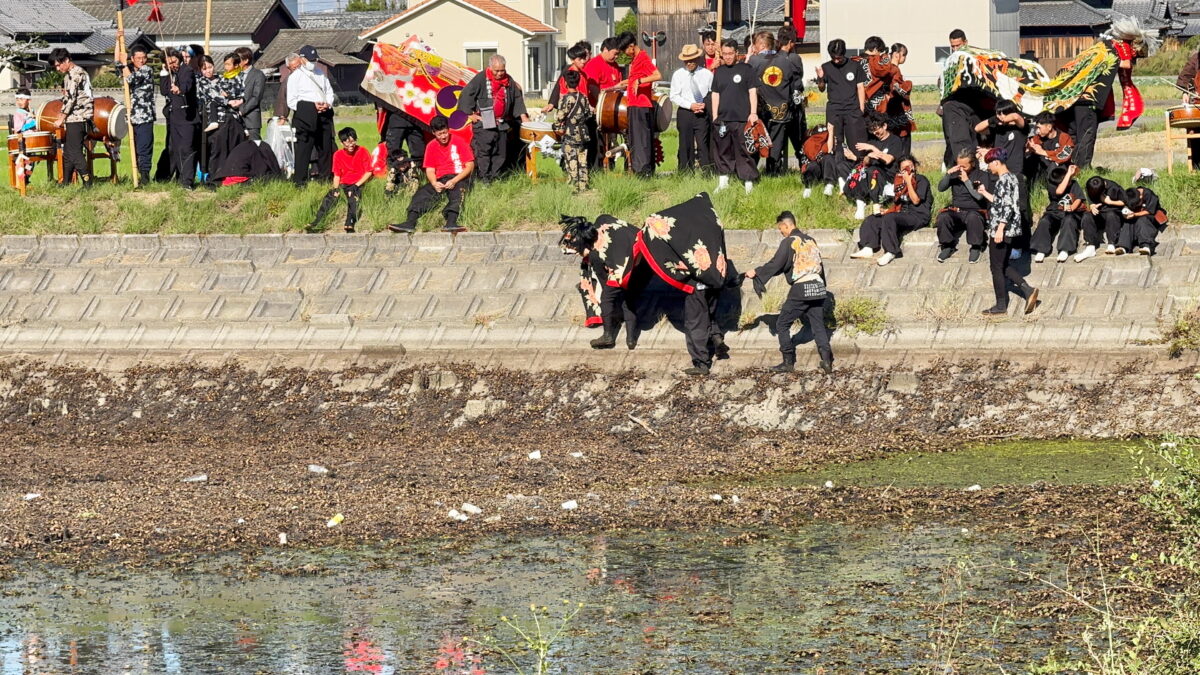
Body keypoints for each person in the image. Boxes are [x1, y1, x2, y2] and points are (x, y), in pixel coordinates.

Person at [745, 211, 833, 374]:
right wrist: (823, 290)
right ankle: (827, 360)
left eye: (781, 229)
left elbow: (776, 264)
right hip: (818, 287)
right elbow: (820, 266)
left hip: (801, 288)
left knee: (782, 323)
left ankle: (788, 361)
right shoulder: (810, 240)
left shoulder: (790, 241)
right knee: (818, 325)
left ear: (787, 225)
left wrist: (756, 272)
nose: (781, 232)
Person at [976, 147, 1040, 315]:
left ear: (996, 162)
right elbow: (1000, 202)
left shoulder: (1004, 180)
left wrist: (1000, 229)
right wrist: (984, 193)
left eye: (989, 164)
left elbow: (1008, 207)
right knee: (1002, 264)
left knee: (996, 267)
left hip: (1001, 229)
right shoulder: (1011, 178)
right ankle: (1027, 290)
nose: (988, 167)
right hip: (1008, 229)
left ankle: (1001, 305)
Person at [388, 116, 473, 234]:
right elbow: (430, 170)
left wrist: (454, 180)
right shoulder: (431, 146)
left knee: (458, 194)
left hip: (458, 177)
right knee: (421, 194)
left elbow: (469, 166)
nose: (443, 136)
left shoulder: (459, 141)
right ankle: (410, 222)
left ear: (448, 129)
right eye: (439, 134)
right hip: (440, 179)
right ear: (433, 133)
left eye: (444, 133)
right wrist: (434, 183)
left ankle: (451, 222)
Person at [457, 54, 527, 183]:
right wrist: (470, 114)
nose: (500, 73)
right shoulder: (480, 78)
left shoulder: (509, 80)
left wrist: (523, 116)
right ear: (490, 68)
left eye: (502, 70)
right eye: (497, 71)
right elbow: (466, 94)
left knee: (500, 151)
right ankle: (484, 178)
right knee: (484, 151)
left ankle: (495, 176)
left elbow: (517, 98)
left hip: (501, 122)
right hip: (484, 121)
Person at [850, 155, 931, 266]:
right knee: (873, 219)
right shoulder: (899, 183)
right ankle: (868, 247)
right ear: (900, 171)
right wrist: (887, 210)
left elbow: (915, 200)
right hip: (902, 214)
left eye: (911, 166)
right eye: (905, 168)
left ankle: (891, 251)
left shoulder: (921, 180)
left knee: (890, 218)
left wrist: (908, 181)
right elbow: (898, 205)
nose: (909, 169)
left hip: (918, 215)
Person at [711, 38, 759, 193]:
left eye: (730, 53)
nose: (728, 57)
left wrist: (753, 112)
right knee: (723, 150)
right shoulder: (719, 71)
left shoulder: (746, 69)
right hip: (723, 119)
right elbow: (715, 94)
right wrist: (714, 116)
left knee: (744, 150)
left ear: (737, 53)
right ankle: (724, 180)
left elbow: (753, 92)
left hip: (742, 118)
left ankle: (748, 180)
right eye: (725, 54)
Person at [748, 32, 797, 176]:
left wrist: (749, 56)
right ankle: (773, 172)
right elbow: (792, 86)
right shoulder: (786, 61)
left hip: (761, 109)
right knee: (776, 143)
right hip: (781, 110)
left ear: (761, 45)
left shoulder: (754, 61)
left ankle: (751, 172)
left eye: (755, 44)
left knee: (756, 140)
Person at [287, 47, 336, 185]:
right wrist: (311, 107)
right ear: (302, 59)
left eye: (314, 60)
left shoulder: (320, 73)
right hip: (305, 118)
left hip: (323, 115)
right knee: (304, 150)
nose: (312, 63)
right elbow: (292, 101)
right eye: (310, 60)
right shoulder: (295, 77)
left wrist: (327, 104)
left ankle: (325, 178)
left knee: (325, 148)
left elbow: (329, 92)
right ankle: (300, 181)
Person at [308, 127, 372, 233]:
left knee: (353, 197)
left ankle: (350, 222)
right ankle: (317, 221)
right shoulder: (338, 155)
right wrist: (335, 189)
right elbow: (337, 175)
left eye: (353, 141)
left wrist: (357, 185)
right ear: (342, 143)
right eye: (347, 142)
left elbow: (369, 171)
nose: (351, 145)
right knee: (330, 197)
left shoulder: (362, 151)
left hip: (358, 182)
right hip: (344, 183)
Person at [815, 39, 867, 169]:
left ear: (844, 54)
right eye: (833, 58)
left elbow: (860, 87)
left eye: (839, 58)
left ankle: (857, 169)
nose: (836, 60)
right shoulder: (826, 67)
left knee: (856, 142)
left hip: (852, 110)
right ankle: (837, 170)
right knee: (835, 142)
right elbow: (821, 88)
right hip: (834, 110)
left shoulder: (855, 66)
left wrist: (861, 108)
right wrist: (820, 77)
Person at [843, 113, 904, 220]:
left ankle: (876, 203)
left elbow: (888, 160)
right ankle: (859, 200)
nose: (876, 133)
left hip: (887, 175)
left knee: (873, 171)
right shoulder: (873, 141)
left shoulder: (895, 141)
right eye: (873, 131)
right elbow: (865, 162)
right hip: (871, 171)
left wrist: (872, 148)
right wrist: (868, 156)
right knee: (859, 169)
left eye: (877, 130)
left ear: (884, 126)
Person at [936, 149, 992, 263]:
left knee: (973, 217)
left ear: (972, 163)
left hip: (975, 210)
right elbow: (941, 188)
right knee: (943, 217)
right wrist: (948, 175)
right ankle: (947, 246)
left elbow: (979, 197)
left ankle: (976, 247)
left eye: (964, 166)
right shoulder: (955, 175)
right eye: (958, 165)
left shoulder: (982, 175)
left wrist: (967, 181)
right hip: (956, 210)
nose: (961, 168)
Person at [618, 32, 661, 177]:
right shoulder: (634, 60)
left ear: (631, 46)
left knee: (641, 139)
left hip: (641, 105)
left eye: (626, 50)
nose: (626, 53)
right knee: (635, 138)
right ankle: (639, 169)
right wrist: (622, 84)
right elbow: (634, 79)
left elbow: (657, 75)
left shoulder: (642, 57)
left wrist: (640, 82)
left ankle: (643, 171)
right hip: (634, 104)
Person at [49, 48, 93, 187]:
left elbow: (71, 99)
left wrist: (61, 118)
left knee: (74, 151)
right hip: (73, 117)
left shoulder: (76, 73)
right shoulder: (68, 75)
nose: (57, 68)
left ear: (67, 60)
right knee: (68, 152)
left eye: (58, 64)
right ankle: (66, 182)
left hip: (79, 116)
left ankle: (87, 181)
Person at [940, 29, 982, 170]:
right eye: (953, 46)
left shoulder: (973, 59)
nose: (956, 49)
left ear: (965, 43)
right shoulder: (950, 63)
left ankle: (973, 167)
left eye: (958, 45)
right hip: (954, 107)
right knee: (953, 139)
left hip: (973, 106)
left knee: (974, 139)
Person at [670, 44, 713, 173]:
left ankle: (707, 170)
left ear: (698, 59)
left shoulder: (707, 74)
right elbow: (674, 96)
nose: (689, 63)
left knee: (703, 143)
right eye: (686, 61)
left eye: (692, 60)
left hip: (702, 112)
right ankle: (685, 171)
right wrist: (690, 105)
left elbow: (712, 93)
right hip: (685, 112)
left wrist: (704, 104)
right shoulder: (678, 75)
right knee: (685, 143)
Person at [159, 47, 198, 189]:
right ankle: (180, 178)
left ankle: (187, 182)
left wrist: (179, 89)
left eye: (174, 61)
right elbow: (164, 90)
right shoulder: (169, 73)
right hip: (174, 118)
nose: (172, 65)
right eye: (169, 63)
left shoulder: (187, 71)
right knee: (175, 149)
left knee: (186, 148)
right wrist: (164, 71)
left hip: (188, 118)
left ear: (179, 59)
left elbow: (187, 86)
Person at [1030, 165, 1085, 263]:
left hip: (1070, 213)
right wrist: (1068, 174)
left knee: (1069, 221)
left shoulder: (1073, 183)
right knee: (1044, 221)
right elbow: (1059, 191)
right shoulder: (1052, 186)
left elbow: (1079, 198)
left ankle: (1065, 249)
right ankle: (1041, 249)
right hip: (1054, 211)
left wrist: (1072, 207)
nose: (1069, 180)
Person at [117, 46, 155, 183]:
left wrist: (124, 64)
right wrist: (118, 42)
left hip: (144, 116)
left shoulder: (147, 70)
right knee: (137, 149)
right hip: (132, 117)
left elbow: (131, 79)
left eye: (144, 58)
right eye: (138, 58)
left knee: (144, 148)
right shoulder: (130, 69)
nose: (142, 61)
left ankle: (145, 178)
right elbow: (118, 63)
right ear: (132, 59)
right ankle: (139, 175)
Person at [556, 69, 594, 192]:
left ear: (566, 83)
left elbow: (560, 116)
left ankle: (573, 185)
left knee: (571, 158)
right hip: (583, 132)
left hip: (570, 133)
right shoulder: (583, 97)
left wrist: (557, 127)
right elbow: (588, 113)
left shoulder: (566, 99)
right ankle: (583, 184)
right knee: (582, 159)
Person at [776, 25, 807, 169]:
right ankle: (804, 167)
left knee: (777, 142)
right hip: (794, 105)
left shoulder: (772, 58)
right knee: (799, 140)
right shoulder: (794, 58)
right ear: (790, 42)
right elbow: (799, 80)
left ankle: (774, 170)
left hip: (776, 106)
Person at [1075, 175, 1126, 260]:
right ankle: (1090, 247)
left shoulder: (1114, 187)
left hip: (1113, 214)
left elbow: (1125, 202)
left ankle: (1111, 244)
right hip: (1099, 213)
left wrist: (1110, 202)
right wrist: (1092, 206)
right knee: (1087, 215)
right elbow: (1090, 201)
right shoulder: (1091, 186)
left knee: (1111, 214)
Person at [543, 41, 591, 113]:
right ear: (572, 59)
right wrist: (552, 103)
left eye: (585, 57)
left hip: (583, 109)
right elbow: (562, 92)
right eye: (580, 59)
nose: (583, 61)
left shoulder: (583, 73)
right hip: (572, 110)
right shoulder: (569, 73)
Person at [1118, 185, 1165, 255]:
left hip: (1151, 216)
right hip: (1135, 216)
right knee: (1128, 222)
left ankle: (1146, 246)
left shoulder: (1149, 195)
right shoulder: (1131, 195)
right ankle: (1123, 246)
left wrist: (1135, 214)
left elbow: (1149, 211)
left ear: (1141, 197)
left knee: (1142, 219)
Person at [235, 47, 266, 141]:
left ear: (245, 60)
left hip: (251, 120)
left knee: (254, 147)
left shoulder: (258, 75)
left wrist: (242, 111)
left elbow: (256, 97)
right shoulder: (235, 74)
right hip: (236, 119)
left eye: (237, 59)